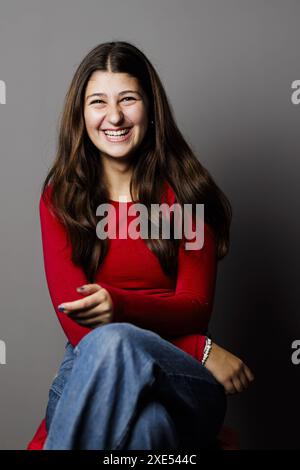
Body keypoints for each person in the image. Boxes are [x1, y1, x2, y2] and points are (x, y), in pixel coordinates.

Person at [29, 41, 254, 450]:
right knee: (148, 429)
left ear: (150, 108)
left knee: (112, 340)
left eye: (128, 99)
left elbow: (195, 305)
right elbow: (78, 326)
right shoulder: (60, 199)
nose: (114, 116)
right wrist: (202, 349)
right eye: (98, 101)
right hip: (90, 368)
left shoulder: (187, 195)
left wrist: (121, 311)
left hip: (179, 377)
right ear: (81, 114)